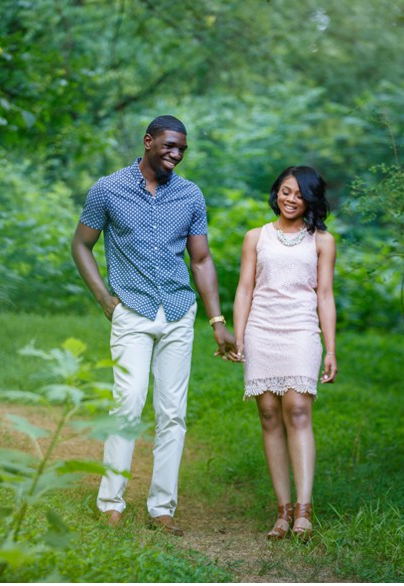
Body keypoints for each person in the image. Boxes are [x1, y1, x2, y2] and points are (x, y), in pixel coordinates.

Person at [71, 115, 237, 536]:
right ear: (148, 142)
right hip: (133, 311)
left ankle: (162, 508)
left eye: (182, 148)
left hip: (179, 312)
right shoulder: (108, 189)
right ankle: (110, 503)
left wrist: (218, 319)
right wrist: (104, 298)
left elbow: (200, 260)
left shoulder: (190, 196)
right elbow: (81, 245)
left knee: (172, 414)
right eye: (168, 146)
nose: (176, 155)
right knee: (127, 404)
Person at [229, 165, 337, 540]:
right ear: (276, 193)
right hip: (262, 329)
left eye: (299, 194)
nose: (291, 199)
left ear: (311, 199)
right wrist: (238, 336)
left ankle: (305, 511)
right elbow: (244, 289)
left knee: (298, 410)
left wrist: (330, 348)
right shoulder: (255, 237)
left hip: (301, 330)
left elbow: (324, 295)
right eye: (285, 191)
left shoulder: (322, 241)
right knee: (270, 413)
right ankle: (282, 511)